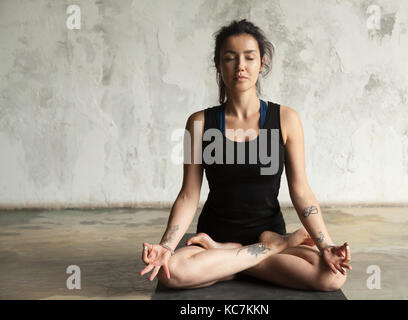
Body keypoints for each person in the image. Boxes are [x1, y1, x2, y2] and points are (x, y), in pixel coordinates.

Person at [140, 19, 352, 292]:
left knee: (332, 277)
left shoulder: (286, 119)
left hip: (255, 234)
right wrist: (167, 247)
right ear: (218, 64)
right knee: (170, 273)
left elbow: (301, 191)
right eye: (230, 58)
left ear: (261, 63)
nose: (240, 65)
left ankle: (229, 263)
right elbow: (188, 195)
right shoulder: (198, 123)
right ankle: (267, 248)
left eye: (249, 57)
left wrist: (326, 245)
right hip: (215, 240)